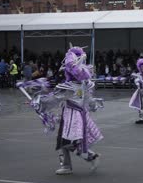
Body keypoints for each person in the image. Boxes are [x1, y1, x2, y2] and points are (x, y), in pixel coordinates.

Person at [17, 46, 103, 175]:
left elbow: (54, 99)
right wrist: (93, 106)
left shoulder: (69, 86)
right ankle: (70, 164)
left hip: (72, 116)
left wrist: (38, 102)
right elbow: (89, 101)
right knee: (64, 142)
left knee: (67, 142)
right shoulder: (85, 84)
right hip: (77, 114)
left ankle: (90, 157)